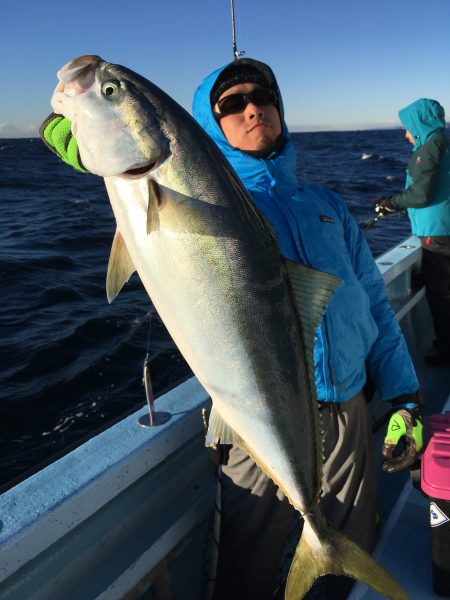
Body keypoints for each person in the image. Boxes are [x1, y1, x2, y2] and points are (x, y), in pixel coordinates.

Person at [41, 59, 423, 600]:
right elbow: (136, 178)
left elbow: (377, 308)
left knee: (348, 546)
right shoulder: (198, 193)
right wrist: (77, 135)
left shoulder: (328, 205)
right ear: (205, 124)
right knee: (247, 563)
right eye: (231, 104)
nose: (252, 108)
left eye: (263, 97)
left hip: (349, 414)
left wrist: (406, 396)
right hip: (247, 422)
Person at [373, 98, 450, 368]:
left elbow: (420, 194)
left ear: (419, 124)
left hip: (437, 233)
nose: (405, 134)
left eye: (407, 127)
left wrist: (390, 203)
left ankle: (447, 351)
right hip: (443, 229)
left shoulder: (430, 147)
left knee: (440, 294)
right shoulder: (443, 142)